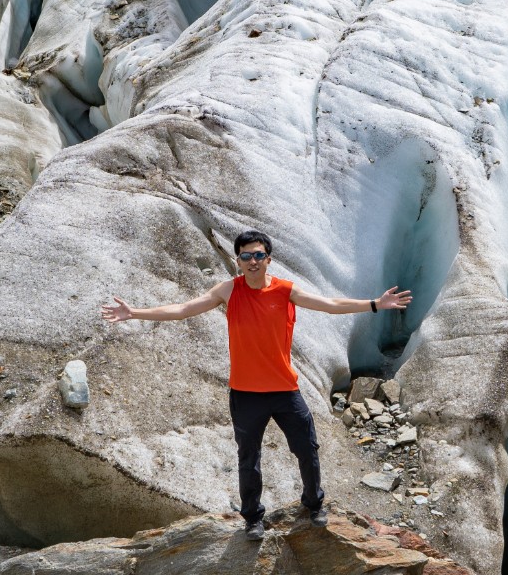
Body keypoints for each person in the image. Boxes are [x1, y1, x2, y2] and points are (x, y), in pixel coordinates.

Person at [102, 229, 412, 538]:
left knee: (307, 448)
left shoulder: (285, 290)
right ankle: (252, 518)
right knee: (248, 458)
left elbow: (329, 304)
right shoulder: (228, 291)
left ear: (269, 259)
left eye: (259, 255)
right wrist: (134, 313)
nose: (253, 261)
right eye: (246, 256)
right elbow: (183, 310)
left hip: (285, 391)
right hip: (246, 394)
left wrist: (375, 304)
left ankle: (314, 504)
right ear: (238, 260)